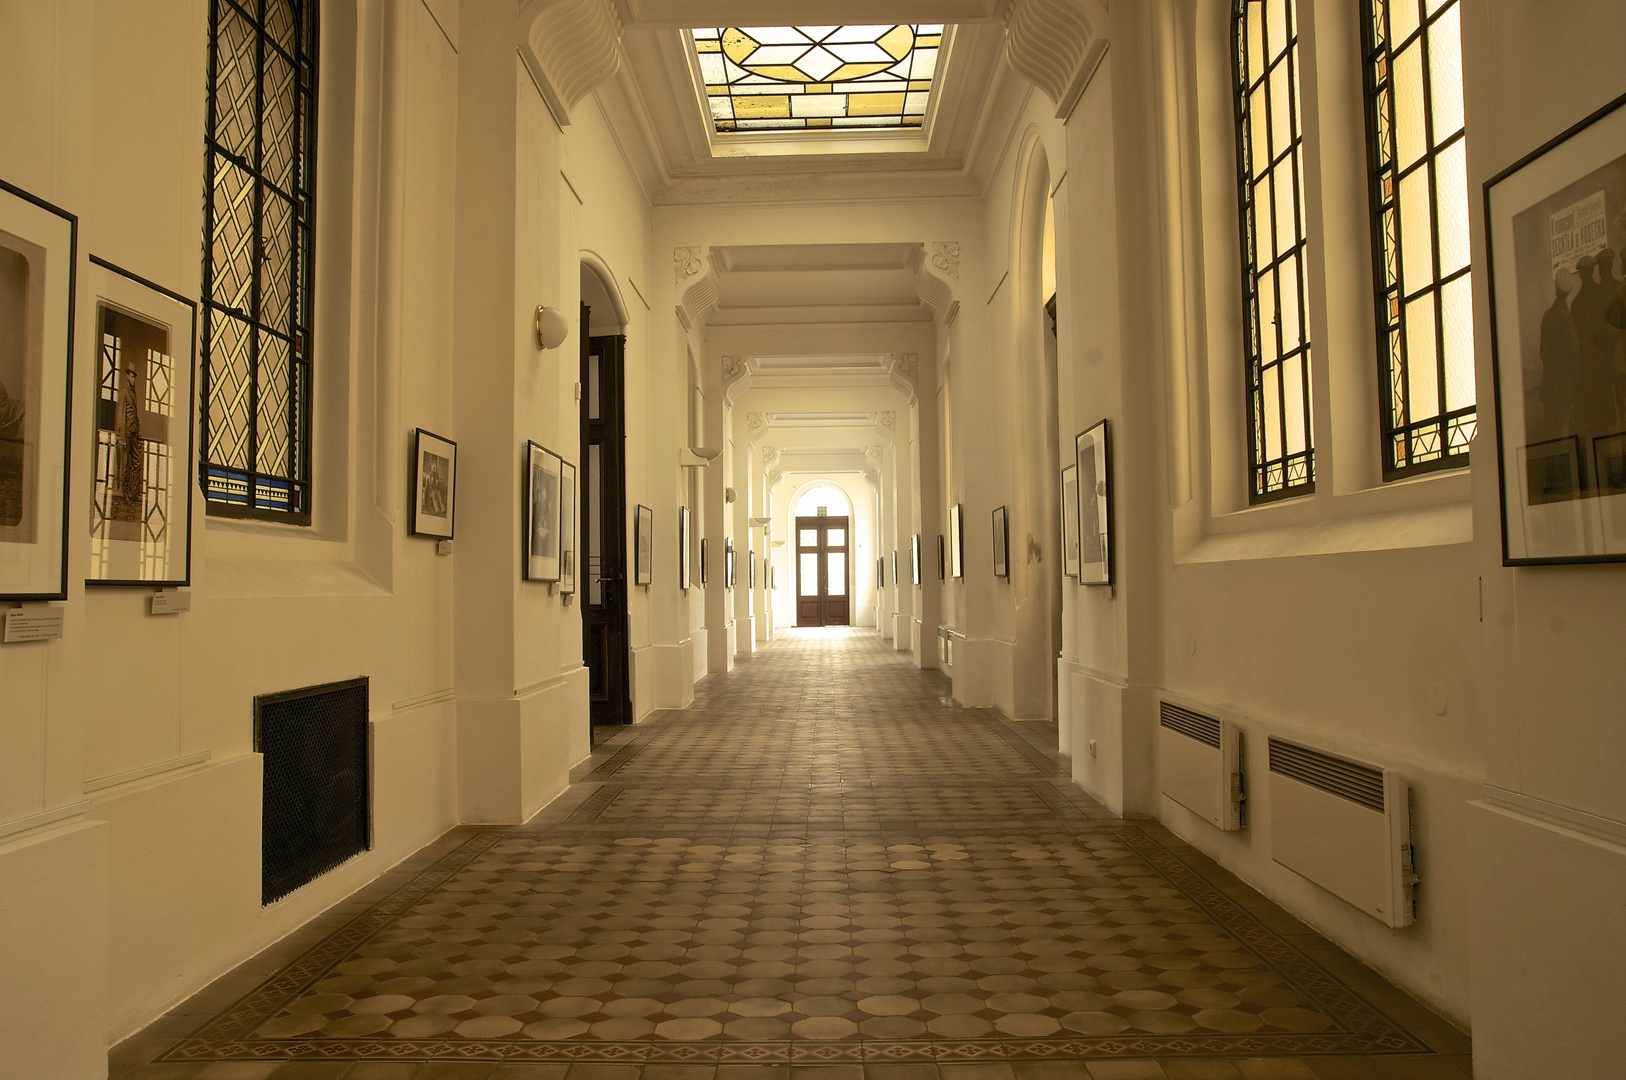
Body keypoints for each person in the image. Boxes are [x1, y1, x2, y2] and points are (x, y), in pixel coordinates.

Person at [1539, 267, 1579, 438]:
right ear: (1568, 292)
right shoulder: (1567, 318)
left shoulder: (1548, 316)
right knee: (1564, 432)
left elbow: (1543, 351)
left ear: (1556, 288)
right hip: (1564, 386)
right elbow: (1575, 353)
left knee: (1550, 432)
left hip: (1549, 384)